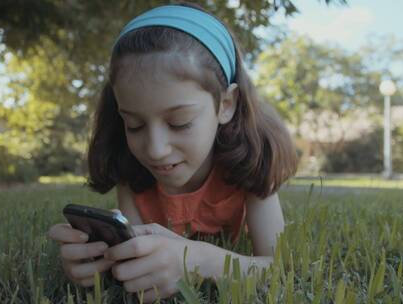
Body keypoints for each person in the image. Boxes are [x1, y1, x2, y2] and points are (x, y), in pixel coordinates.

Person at [48, 3, 297, 303]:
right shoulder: (131, 168)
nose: (155, 149)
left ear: (226, 105)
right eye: (134, 125)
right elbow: (137, 266)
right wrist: (98, 263)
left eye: (179, 123)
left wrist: (197, 261)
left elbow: (280, 269)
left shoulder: (254, 162)